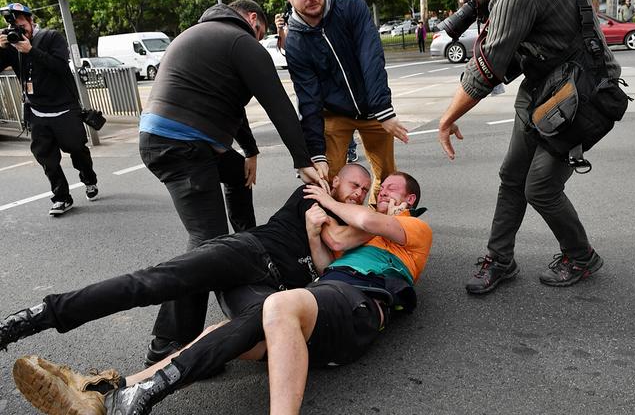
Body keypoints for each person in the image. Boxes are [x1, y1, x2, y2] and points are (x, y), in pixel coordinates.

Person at [8, 172, 433, 415]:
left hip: (289, 295)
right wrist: (316, 216)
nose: (370, 194)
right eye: (359, 186)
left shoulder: (405, 227)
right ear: (333, 179)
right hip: (250, 254)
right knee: (156, 280)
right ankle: (44, 330)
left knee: (240, 324)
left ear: (409, 200)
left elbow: (342, 241)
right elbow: (331, 256)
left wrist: (336, 215)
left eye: (377, 189)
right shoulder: (315, 193)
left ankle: (123, 391)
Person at [437, 0, 621, 294]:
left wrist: (447, 119)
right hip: (545, 85)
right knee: (512, 175)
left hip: (580, 97)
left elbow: (487, 69)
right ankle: (500, 259)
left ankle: (581, 256)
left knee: (540, 188)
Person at [138, 0, 322, 364]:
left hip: (179, 139)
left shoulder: (206, 36)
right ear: (253, 20)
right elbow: (278, 103)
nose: (261, 39)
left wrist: (249, 152)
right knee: (206, 242)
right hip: (182, 146)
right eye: (263, 32)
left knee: (237, 174)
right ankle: (167, 343)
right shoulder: (242, 42)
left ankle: (245, 240)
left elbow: (232, 107)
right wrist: (304, 160)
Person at [277, 0, 409, 204]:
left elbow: (371, 57)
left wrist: (383, 109)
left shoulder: (350, 5)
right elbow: (307, 97)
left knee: (387, 177)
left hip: (372, 108)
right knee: (327, 179)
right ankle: (337, 233)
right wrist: (316, 152)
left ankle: (377, 227)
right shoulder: (294, 40)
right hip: (334, 113)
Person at [0, 3, 99, 216]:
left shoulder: (51, 37)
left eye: (21, 25)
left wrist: (31, 51)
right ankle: (62, 197)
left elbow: (60, 66)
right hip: (36, 111)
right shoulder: (11, 46)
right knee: (46, 158)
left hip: (64, 109)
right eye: (14, 27)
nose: (19, 31)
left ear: (30, 20)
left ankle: (88, 178)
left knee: (77, 148)